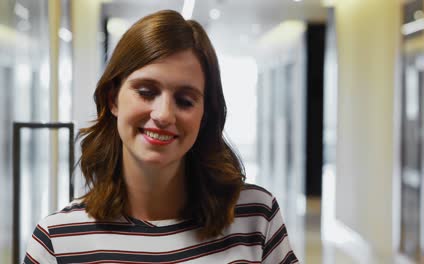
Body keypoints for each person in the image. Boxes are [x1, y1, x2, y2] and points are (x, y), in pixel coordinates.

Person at [24, 10, 298, 264]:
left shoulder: (255, 217)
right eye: (146, 92)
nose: (164, 114)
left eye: (185, 100)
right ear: (113, 100)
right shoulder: (57, 242)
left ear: (204, 115)